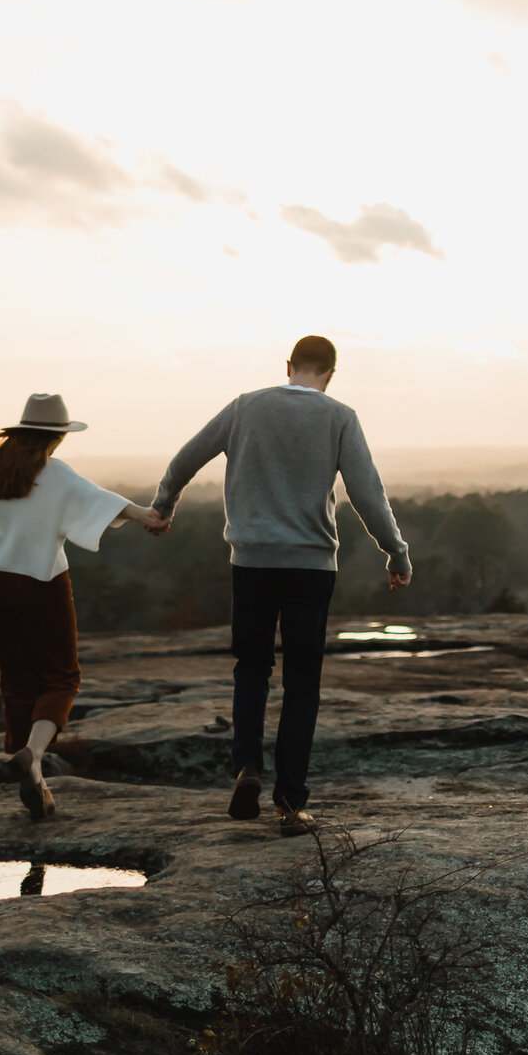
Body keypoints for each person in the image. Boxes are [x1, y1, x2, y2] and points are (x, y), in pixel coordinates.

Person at [152, 335, 412, 835]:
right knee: (302, 685)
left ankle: (247, 766)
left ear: (288, 365)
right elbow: (366, 493)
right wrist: (396, 552)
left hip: (251, 562)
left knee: (251, 667)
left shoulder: (245, 408)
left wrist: (164, 505)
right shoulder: (340, 417)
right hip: (311, 567)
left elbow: (186, 458)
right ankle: (290, 805)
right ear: (331, 373)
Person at [0, 393, 165, 821]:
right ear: (56, 437)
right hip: (41, 584)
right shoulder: (53, 474)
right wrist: (148, 515)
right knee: (61, 679)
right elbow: (102, 501)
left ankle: (34, 779)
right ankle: (32, 756)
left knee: (17, 684)